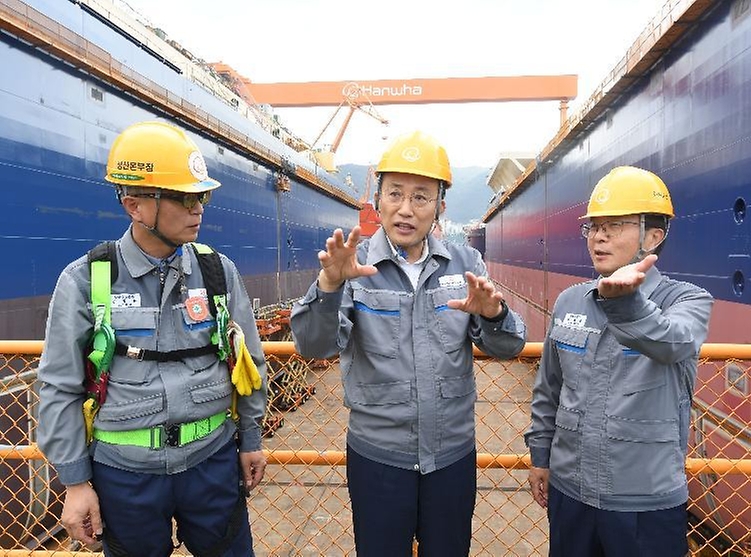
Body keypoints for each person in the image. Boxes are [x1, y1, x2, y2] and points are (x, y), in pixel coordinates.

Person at [290, 130, 526, 557]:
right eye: (395, 193)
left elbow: (508, 347)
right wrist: (328, 286)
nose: (405, 208)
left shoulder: (466, 263)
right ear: (377, 199)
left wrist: (493, 316)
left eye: (421, 197)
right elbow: (313, 347)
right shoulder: (353, 265)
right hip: (378, 458)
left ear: (440, 206)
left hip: (451, 457)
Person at [36, 121, 267, 557]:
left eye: (202, 197)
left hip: (212, 463)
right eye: (183, 197)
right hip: (125, 478)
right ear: (134, 206)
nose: (198, 209)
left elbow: (247, 363)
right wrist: (75, 482)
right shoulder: (86, 280)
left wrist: (251, 439)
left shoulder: (217, 272)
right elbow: (59, 386)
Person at [525, 166, 713, 556]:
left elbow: (673, 343)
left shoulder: (686, 301)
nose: (599, 236)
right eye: (593, 227)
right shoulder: (570, 301)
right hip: (571, 493)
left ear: (654, 236)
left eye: (614, 226)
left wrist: (625, 304)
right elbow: (549, 390)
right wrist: (540, 456)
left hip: (646, 502)